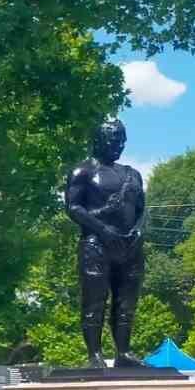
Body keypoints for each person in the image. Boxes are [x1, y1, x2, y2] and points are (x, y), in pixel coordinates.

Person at [64, 118, 147, 369]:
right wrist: (102, 230)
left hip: (130, 247)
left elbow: (142, 209)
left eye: (121, 141)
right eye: (113, 140)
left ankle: (124, 352)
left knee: (126, 302)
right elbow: (73, 207)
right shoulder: (83, 172)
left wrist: (139, 231)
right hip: (95, 245)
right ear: (99, 140)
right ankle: (94, 355)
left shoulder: (132, 175)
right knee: (95, 300)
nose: (118, 146)